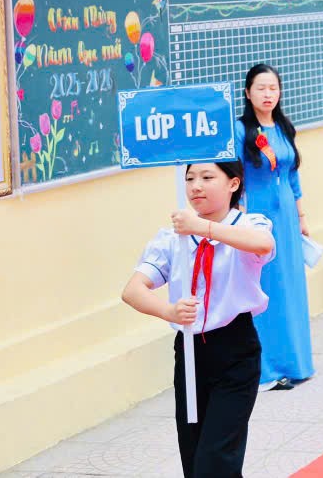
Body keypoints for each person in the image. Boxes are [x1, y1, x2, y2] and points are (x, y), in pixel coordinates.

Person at [121, 162, 274, 478]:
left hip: (236, 350)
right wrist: (169, 311)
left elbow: (263, 245)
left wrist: (202, 227)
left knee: (216, 458)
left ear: (233, 184)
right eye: (189, 178)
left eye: (207, 177)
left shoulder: (249, 224)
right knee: (194, 457)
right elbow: (132, 291)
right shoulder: (171, 238)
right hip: (190, 354)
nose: (196, 186)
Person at [235, 64, 313, 390]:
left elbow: (292, 175)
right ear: (247, 93)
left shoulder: (282, 127)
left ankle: (296, 362)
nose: (268, 94)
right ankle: (265, 370)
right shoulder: (241, 131)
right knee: (265, 289)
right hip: (258, 218)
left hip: (287, 220)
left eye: (273, 88)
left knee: (290, 288)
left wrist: (301, 217)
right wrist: (239, 220)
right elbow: (235, 177)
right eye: (261, 88)